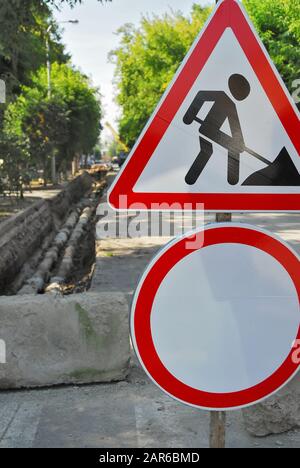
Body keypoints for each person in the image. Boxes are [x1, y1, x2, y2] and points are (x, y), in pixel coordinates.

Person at [183, 74, 251, 185]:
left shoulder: (231, 105)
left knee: (207, 152)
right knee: (232, 148)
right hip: (208, 129)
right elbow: (201, 95)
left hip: (209, 130)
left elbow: (235, 127)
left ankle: (190, 180)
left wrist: (240, 142)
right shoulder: (222, 97)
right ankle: (232, 179)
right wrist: (189, 116)